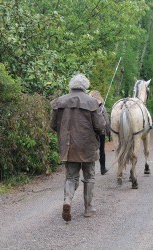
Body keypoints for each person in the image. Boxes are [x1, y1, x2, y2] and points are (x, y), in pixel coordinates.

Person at [50, 73, 105, 222]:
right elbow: (100, 126)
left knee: (70, 177)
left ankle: (67, 200)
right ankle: (88, 208)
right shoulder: (92, 102)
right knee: (89, 177)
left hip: (68, 146)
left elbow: (53, 125)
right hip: (87, 146)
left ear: (71, 86)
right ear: (85, 86)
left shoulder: (59, 102)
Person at [89, 90, 111, 175]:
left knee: (92, 150)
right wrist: (108, 132)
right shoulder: (102, 107)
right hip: (101, 132)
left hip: (91, 132)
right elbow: (107, 121)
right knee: (101, 150)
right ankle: (103, 169)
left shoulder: (88, 107)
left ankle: (91, 170)